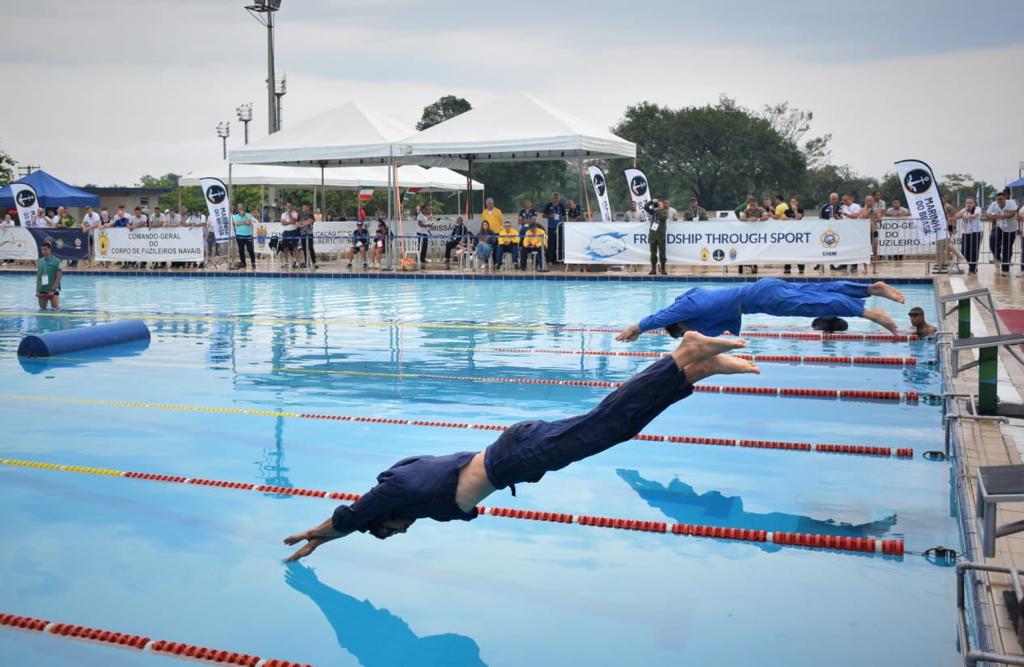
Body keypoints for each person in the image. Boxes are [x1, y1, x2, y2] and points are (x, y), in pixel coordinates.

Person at [282, 331, 760, 560]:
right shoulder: (412, 491)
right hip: (517, 451)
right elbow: (362, 517)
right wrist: (328, 540)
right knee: (614, 429)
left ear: (383, 519)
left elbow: (354, 513)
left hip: (515, 456)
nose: (399, 533)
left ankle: (683, 354)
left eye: (389, 531)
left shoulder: (398, 491)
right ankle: (694, 372)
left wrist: (318, 534)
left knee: (606, 424)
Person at [614, 278, 906, 340]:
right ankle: (869, 289)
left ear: (682, 323)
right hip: (762, 289)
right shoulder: (698, 304)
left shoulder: (688, 308)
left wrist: (637, 327)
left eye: (684, 331)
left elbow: (663, 316)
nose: (691, 332)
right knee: (817, 292)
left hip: (762, 299)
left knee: (814, 303)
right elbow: (715, 332)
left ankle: (871, 313)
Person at [986, 191, 1018, 275]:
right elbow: (988, 214)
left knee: (1007, 248)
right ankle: (997, 257)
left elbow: (1012, 213)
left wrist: (997, 216)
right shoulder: (994, 204)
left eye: (1001, 199)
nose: (999, 201)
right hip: (999, 227)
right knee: (993, 238)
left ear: (1005, 198)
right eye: (998, 199)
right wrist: (997, 217)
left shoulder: (1011, 203)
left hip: (1011, 229)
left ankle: (1005, 269)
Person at [954, 197, 984, 274]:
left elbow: (975, 215)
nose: (969, 205)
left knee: (974, 251)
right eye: (967, 203)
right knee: (964, 250)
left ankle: (972, 268)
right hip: (966, 232)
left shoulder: (978, 208)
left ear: (974, 203)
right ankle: (972, 265)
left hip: (976, 232)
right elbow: (956, 216)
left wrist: (965, 217)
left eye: (970, 203)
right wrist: (964, 211)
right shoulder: (964, 210)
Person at [738, 201, 768, 275]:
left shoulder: (761, 209)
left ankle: (754, 268)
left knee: (755, 251)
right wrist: (749, 219)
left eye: (754, 205)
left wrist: (757, 219)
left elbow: (766, 217)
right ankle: (745, 270)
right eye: (751, 205)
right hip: (748, 235)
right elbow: (741, 218)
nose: (752, 207)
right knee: (746, 251)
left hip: (758, 234)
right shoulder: (747, 210)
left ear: (757, 205)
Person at [644, 198, 669, 275]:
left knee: (662, 253)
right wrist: (652, 202)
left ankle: (663, 269)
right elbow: (645, 207)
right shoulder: (654, 212)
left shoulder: (665, 212)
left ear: (663, 205)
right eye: (658, 204)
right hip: (653, 235)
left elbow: (663, 217)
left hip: (661, 236)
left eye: (660, 204)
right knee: (653, 253)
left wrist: (658, 210)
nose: (659, 205)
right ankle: (653, 269)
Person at [36, 241, 62, 310]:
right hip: (42, 290)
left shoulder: (57, 261)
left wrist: (52, 290)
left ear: (49, 249)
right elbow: (38, 277)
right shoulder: (39, 261)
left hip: (53, 290)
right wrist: (37, 290)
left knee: (55, 308)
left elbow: (59, 277)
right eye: (42, 250)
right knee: (42, 309)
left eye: (45, 249)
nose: (43, 251)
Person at [782, 197, 805, 275]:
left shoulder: (800, 210)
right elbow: (783, 218)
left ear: (796, 203)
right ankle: (787, 268)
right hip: (789, 235)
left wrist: (795, 210)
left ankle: (801, 268)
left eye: (794, 202)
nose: (792, 203)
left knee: (799, 252)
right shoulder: (787, 211)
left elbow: (798, 217)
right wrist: (792, 219)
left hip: (798, 234)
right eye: (791, 202)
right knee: (788, 251)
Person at [231, 203, 257, 271]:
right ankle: (243, 263)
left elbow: (248, 222)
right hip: (239, 235)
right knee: (241, 250)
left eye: (241, 208)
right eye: (239, 208)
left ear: (243, 208)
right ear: (237, 209)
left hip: (248, 235)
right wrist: (244, 222)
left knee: (250, 250)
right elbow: (236, 224)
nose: (240, 209)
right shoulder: (235, 216)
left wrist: (244, 217)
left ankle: (253, 263)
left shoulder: (248, 215)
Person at [542, 193, 566, 265]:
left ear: (559, 199)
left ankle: (560, 259)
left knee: (559, 243)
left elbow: (564, 216)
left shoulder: (561, 206)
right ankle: (550, 260)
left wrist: (564, 224)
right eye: (554, 198)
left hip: (559, 227)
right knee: (551, 243)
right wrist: (550, 215)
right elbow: (543, 215)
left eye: (557, 198)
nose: (556, 200)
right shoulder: (548, 205)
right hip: (551, 227)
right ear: (552, 199)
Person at [279, 202, 300, 270]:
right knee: (285, 248)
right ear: (286, 206)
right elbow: (282, 223)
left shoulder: (295, 213)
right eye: (287, 206)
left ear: (292, 206)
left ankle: (297, 261)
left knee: (295, 247)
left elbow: (293, 221)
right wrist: (289, 222)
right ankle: (286, 262)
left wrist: (290, 214)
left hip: (293, 231)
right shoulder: (283, 214)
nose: (288, 207)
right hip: (286, 232)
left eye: (290, 206)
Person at [298, 204, 318, 269]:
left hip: (309, 233)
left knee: (310, 248)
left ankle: (314, 262)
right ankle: (307, 262)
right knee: (304, 248)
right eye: (303, 207)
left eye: (305, 207)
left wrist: (302, 224)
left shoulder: (310, 215)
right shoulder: (300, 215)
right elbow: (297, 224)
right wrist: (303, 224)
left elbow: (310, 222)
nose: (304, 209)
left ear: (308, 208)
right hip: (302, 234)